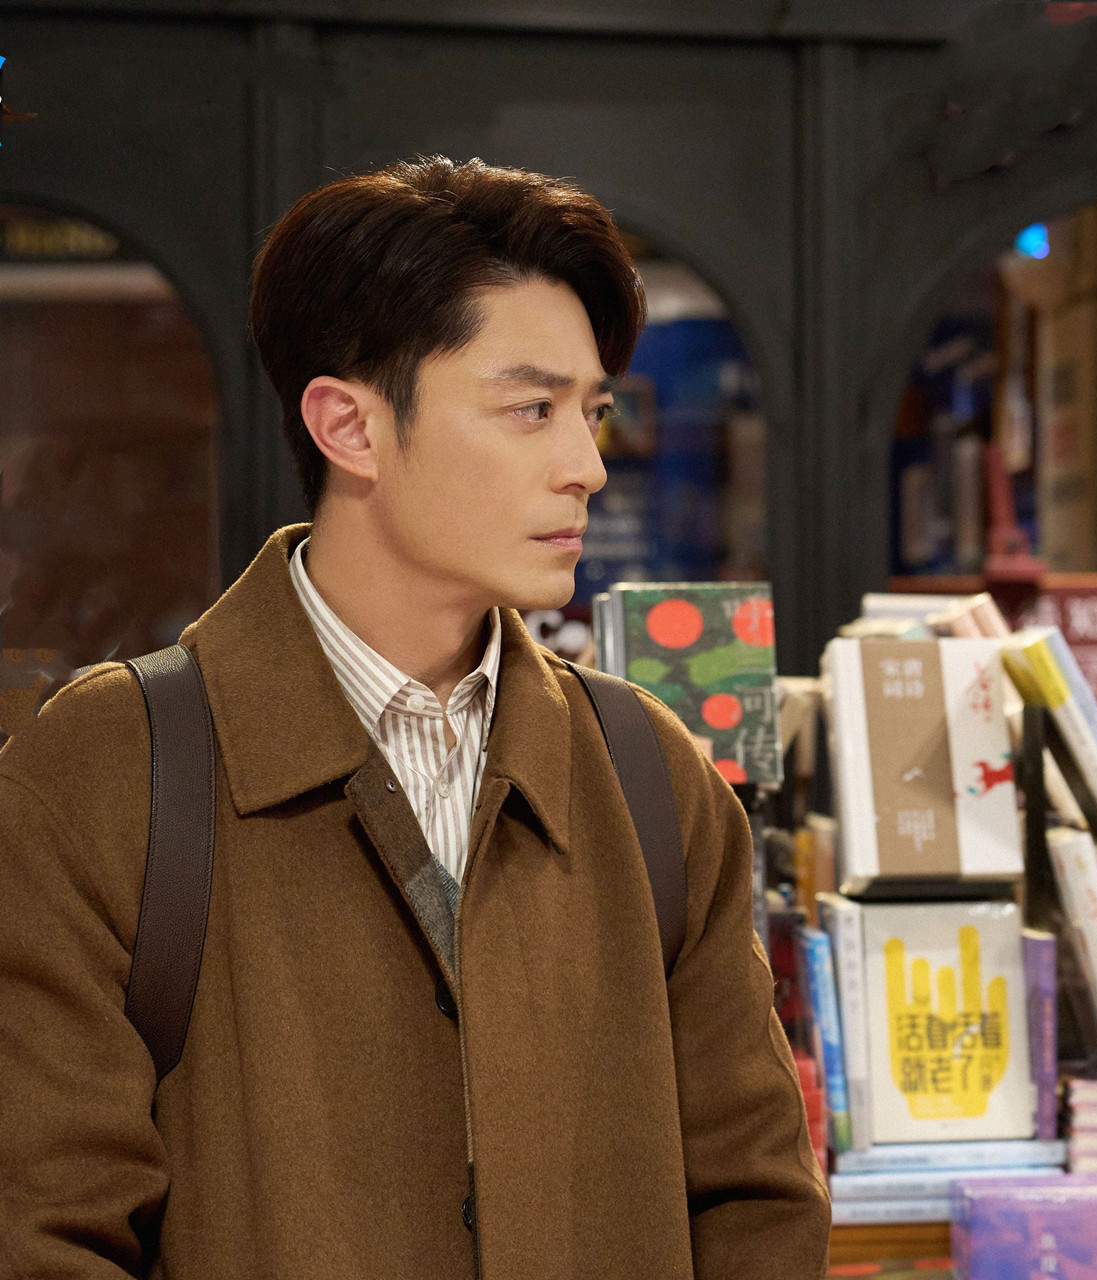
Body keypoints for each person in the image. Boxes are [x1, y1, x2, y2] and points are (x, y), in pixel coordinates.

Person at [0, 157, 830, 1279]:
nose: (587, 466)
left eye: (591, 413)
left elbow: (755, 1199)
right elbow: (40, 1233)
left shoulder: (648, 770)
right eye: (531, 409)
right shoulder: (106, 772)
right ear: (348, 426)